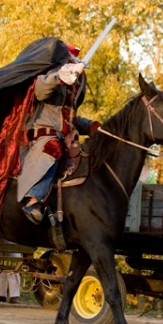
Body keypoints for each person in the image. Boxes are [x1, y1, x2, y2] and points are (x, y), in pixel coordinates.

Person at [17, 44, 100, 224]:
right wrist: (60, 76)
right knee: (53, 147)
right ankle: (33, 201)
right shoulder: (48, 75)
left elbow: (69, 118)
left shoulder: (72, 91)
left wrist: (91, 126)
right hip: (41, 135)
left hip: (66, 138)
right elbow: (40, 90)